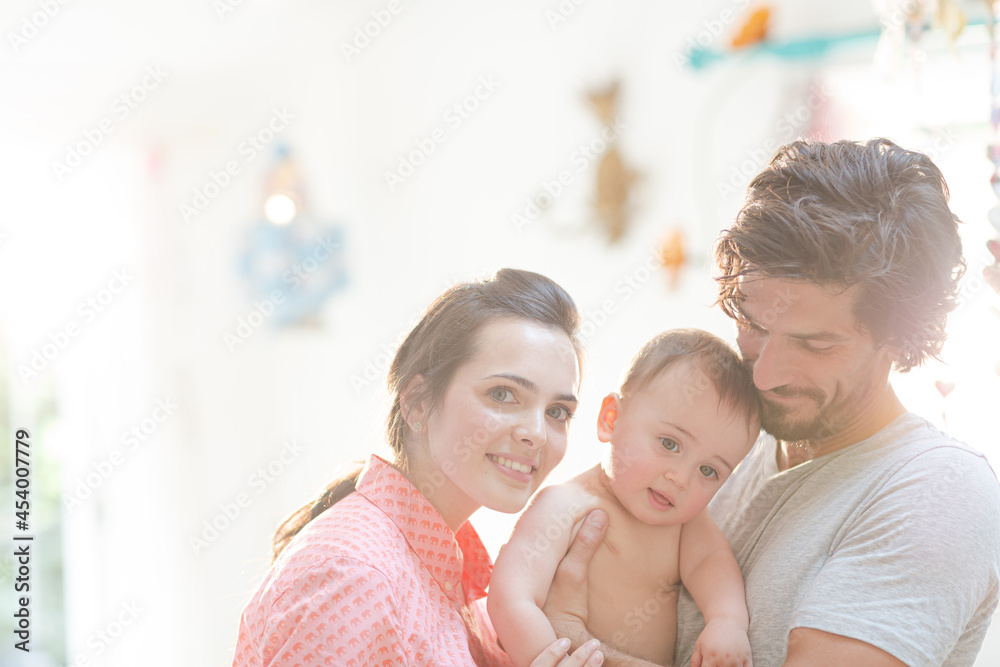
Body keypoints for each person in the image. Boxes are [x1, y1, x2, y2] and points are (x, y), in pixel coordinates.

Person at [542, 138, 1000, 667]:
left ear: (898, 338)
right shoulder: (720, 435)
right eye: (755, 325)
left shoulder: (939, 494)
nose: (763, 373)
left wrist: (581, 652)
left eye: (815, 344)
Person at [231, 268, 607, 667]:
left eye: (557, 412)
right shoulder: (356, 575)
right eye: (503, 394)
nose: (537, 433)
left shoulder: (457, 575)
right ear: (417, 403)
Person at [488, 330, 759, 667]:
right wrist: (547, 657)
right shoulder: (566, 504)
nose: (681, 479)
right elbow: (511, 596)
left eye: (708, 471)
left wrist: (727, 622)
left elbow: (712, 564)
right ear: (611, 419)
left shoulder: (684, 524)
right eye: (669, 444)